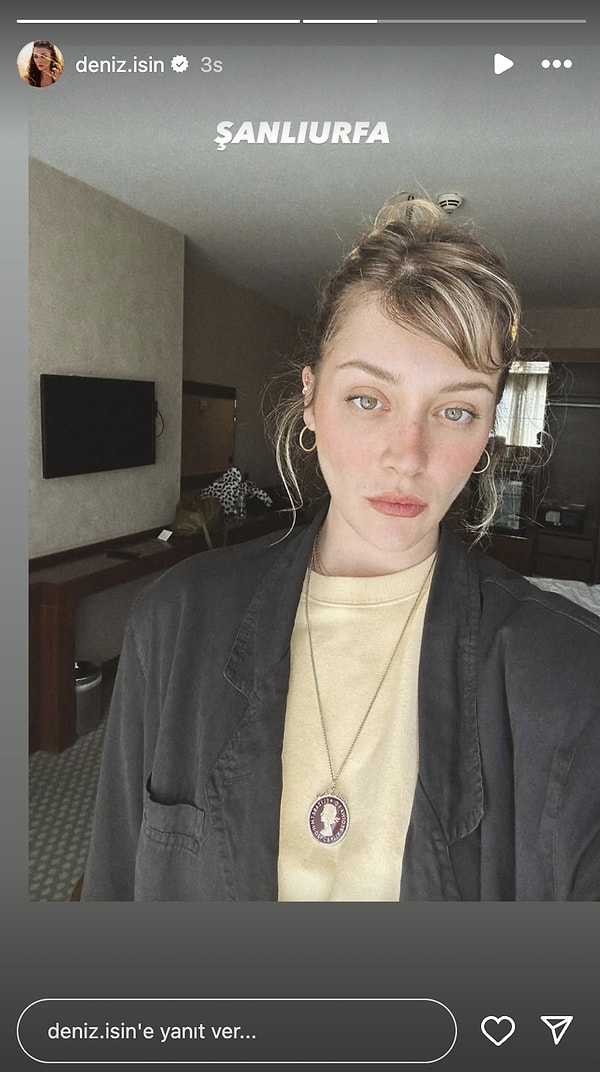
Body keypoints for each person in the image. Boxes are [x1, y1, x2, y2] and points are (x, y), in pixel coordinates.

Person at [81, 196, 600, 902]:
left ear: (486, 432)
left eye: (455, 410)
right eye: (367, 399)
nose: (407, 456)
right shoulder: (175, 619)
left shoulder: (569, 675)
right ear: (311, 399)